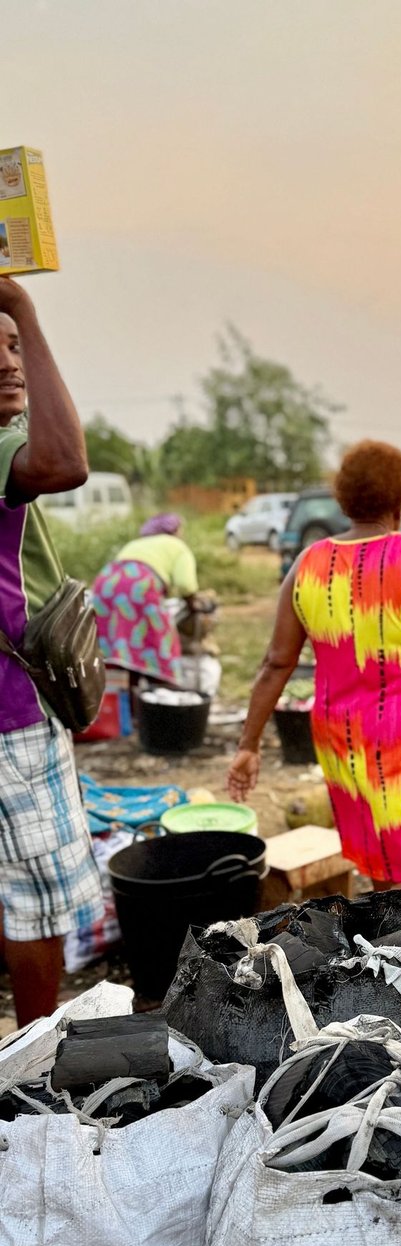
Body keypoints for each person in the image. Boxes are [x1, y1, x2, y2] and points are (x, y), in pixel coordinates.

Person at [227, 439, 401, 899]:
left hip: (339, 738)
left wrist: (248, 746)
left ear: (344, 499)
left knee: (381, 859)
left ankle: (381, 942)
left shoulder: (307, 564)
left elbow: (276, 663)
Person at [0, 276, 102, 1025]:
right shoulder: (4, 449)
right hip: (13, 715)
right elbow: (66, 460)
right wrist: (24, 309)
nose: (11, 364)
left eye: (13, 348)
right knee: (35, 897)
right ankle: (33, 1049)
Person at [91, 513, 199, 689]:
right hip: (139, 586)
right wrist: (193, 603)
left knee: (121, 646)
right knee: (158, 641)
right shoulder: (177, 545)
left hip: (105, 585)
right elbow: (186, 585)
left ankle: (128, 698)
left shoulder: (135, 543)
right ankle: (163, 694)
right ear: (175, 531)